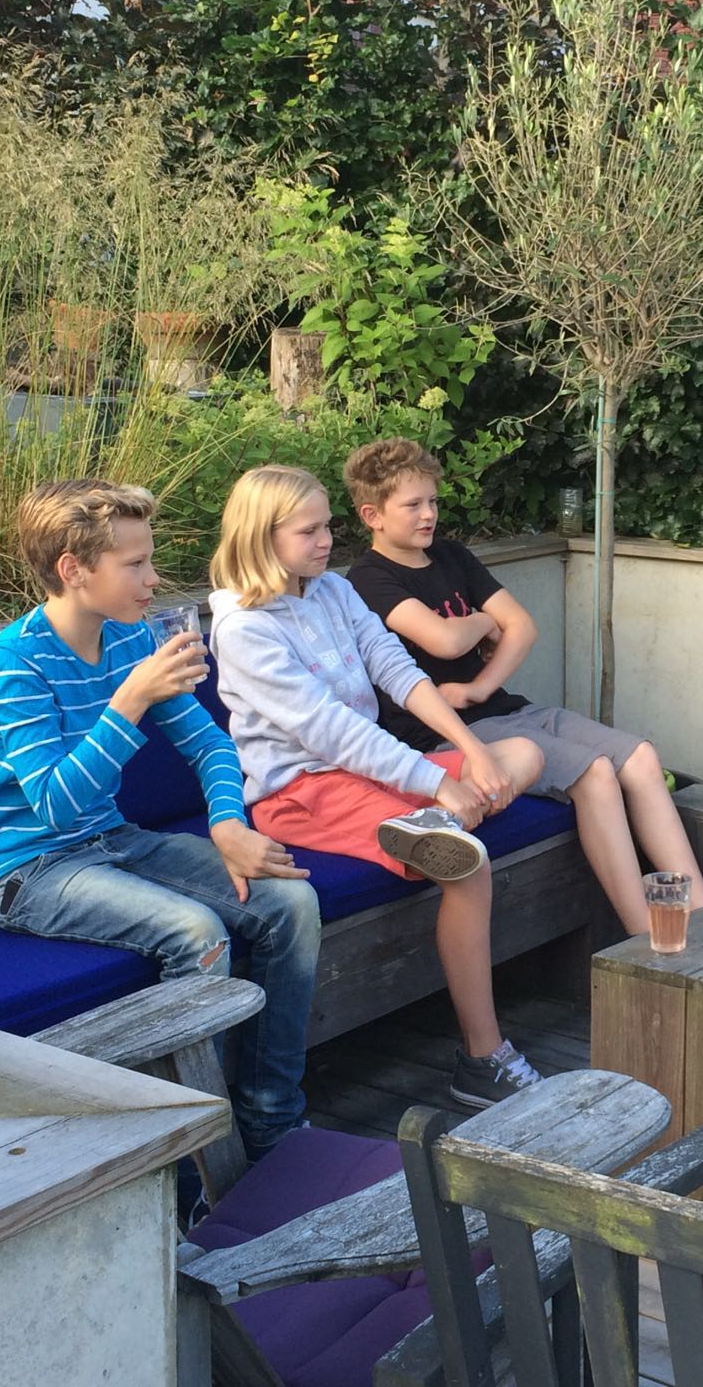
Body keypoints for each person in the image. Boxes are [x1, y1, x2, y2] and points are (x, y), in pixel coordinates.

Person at [0, 479, 321, 1161]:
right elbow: (55, 805)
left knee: (290, 902)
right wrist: (129, 701)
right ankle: (196, 1165)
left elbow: (210, 744)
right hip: (23, 867)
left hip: (107, 839)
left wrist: (227, 825)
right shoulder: (13, 664)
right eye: (135, 564)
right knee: (196, 932)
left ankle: (271, 1120)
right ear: (73, 569)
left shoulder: (127, 638)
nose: (154, 580)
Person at [206, 464, 548, 1110]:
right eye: (308, 531)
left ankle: (426, 827)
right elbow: (331, 731)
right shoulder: (245, 628)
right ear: (261, 536)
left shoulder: (332, 590)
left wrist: (472, 751)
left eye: (327, 526)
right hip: (301, 792)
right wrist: (435, 781)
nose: (326, 540)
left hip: (368, 773)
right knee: (467, 866)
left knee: (522, 755)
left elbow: (397, 669)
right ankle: (483, 1060)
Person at [342, 438, 703, 938]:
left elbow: (521, 626)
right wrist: (482, 621)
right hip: (448, 735)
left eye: (432, 501)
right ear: (373, 515)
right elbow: (445, 640)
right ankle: (646, 941)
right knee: (595, 773)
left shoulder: (451, 555)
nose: (429, 514)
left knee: (642, 758)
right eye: (413, 505)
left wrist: (480, 686)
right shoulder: (368, 579)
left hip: (501, 708)